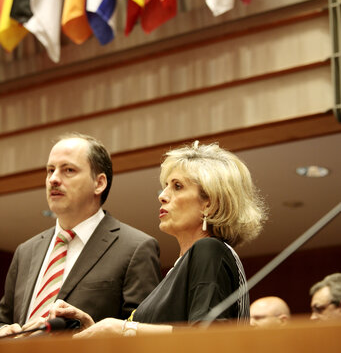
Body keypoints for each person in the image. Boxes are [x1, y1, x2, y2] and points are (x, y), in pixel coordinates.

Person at [49, 141, 267, 337]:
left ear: (209, 203)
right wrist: (96, 329)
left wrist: (123, 329)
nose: (162, 195)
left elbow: (208, 338)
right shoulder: (182, 266)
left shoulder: (209, 250)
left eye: (177, 186)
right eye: (166, 186)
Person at [0, 133, 161, 337]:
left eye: (68, 170)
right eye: (50, 170)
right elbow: (3, 318)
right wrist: (5, 330)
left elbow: (143, 334)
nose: (54, 179)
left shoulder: (136, 247)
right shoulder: (26, 251)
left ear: (99, 183)